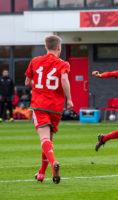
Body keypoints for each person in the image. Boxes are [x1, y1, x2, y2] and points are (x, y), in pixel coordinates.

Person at [25, 35, 73, 184]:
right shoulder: (63, 63)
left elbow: (27, 82)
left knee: (44, 139)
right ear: (59, 47)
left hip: (40, 105)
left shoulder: (35, 61)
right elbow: (64, 79)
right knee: (49, 142)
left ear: (46, 47)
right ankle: (41, 173)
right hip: (55, 108)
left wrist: (40, 87)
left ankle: (54, 164)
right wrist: (69, 99)